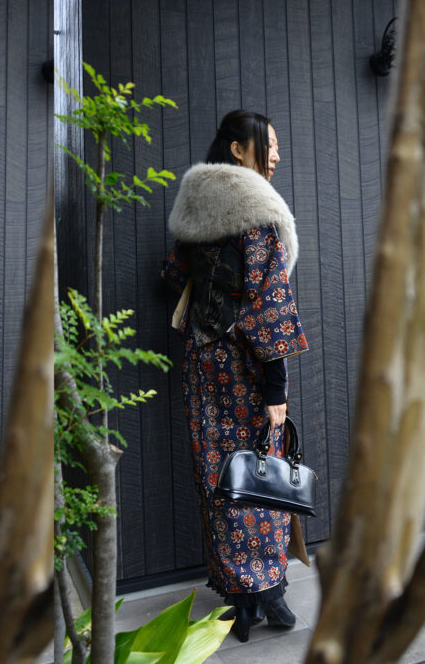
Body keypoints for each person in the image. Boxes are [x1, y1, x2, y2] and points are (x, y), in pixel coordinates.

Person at [161, 109, 309, 642]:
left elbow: (171, 273)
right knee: (260, 471)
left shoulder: (196, 207)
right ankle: (268, 591)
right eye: (267, 145)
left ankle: (239, 599)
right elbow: (270, 304)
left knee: (218, 475)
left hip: (201, 363)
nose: (275, 155)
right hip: (246, 366)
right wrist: (276, 386)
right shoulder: (257, 212)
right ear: (237, 150)